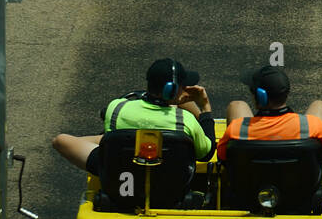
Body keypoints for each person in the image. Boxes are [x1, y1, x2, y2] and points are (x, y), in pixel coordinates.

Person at [52, 58, 217, 176]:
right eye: (183, 86)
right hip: (170, 191)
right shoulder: (184, 121)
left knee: (74, 140)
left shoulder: (116, 108)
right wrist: (205, 108)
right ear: (172, 90)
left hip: (120, 180)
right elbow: (206, 154)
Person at [216, 66, 322, 168]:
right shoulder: (313, 127)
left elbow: (222, 158)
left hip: (250, 194)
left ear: (261, 97)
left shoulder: (237, 130)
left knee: (237, 105)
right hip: (301, 196)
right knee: (321, 105)